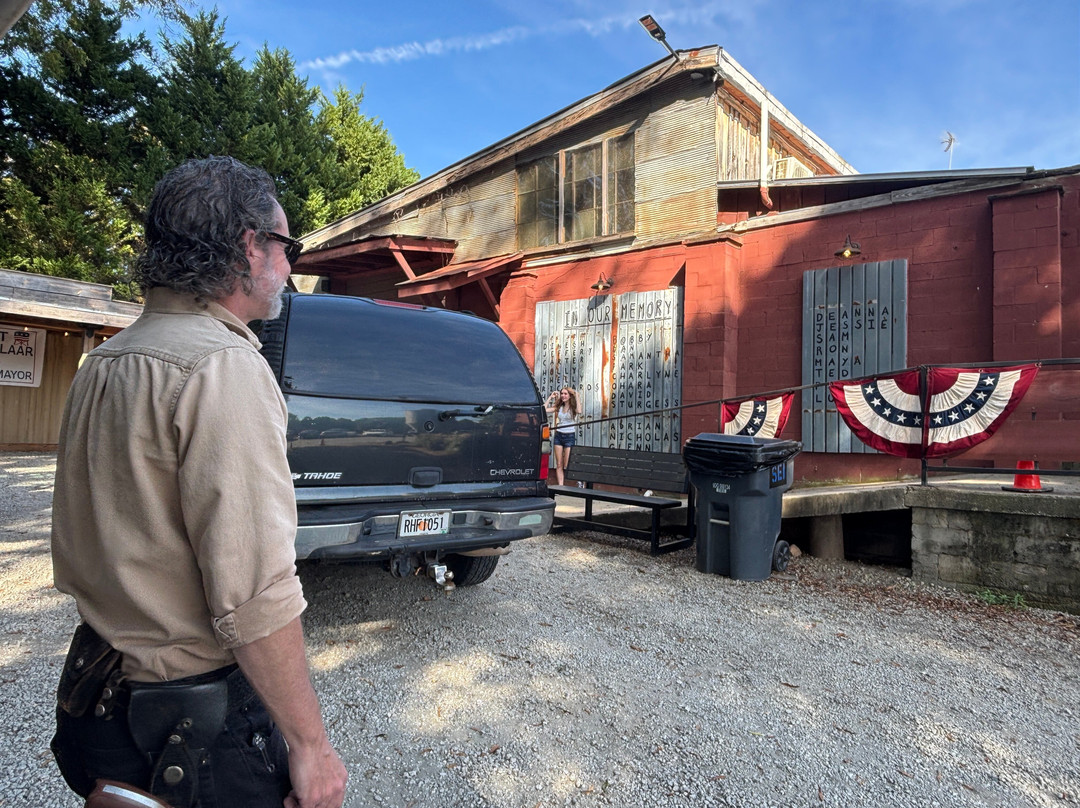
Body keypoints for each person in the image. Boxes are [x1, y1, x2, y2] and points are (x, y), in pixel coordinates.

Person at [49, 156, 348, 808]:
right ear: (249, 246)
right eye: (287, 245)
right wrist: (310, 747)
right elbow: (255, 595)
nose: (291, 267)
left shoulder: (101, 363)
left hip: (94, 699)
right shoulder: (224, 368)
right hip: (189, 731)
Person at [546, 387, 580, 486]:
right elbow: (544, 409)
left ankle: (579, 480)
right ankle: (561, 486)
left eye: (565, 394)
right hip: (559, 435)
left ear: (569, 396)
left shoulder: (573, 408)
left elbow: (579, 411)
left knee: (567, 463)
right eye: (562, 393)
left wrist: (577, 395)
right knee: (559, 464)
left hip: (569, 436)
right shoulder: (559, 407)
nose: (563, 396)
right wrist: (550, 397)